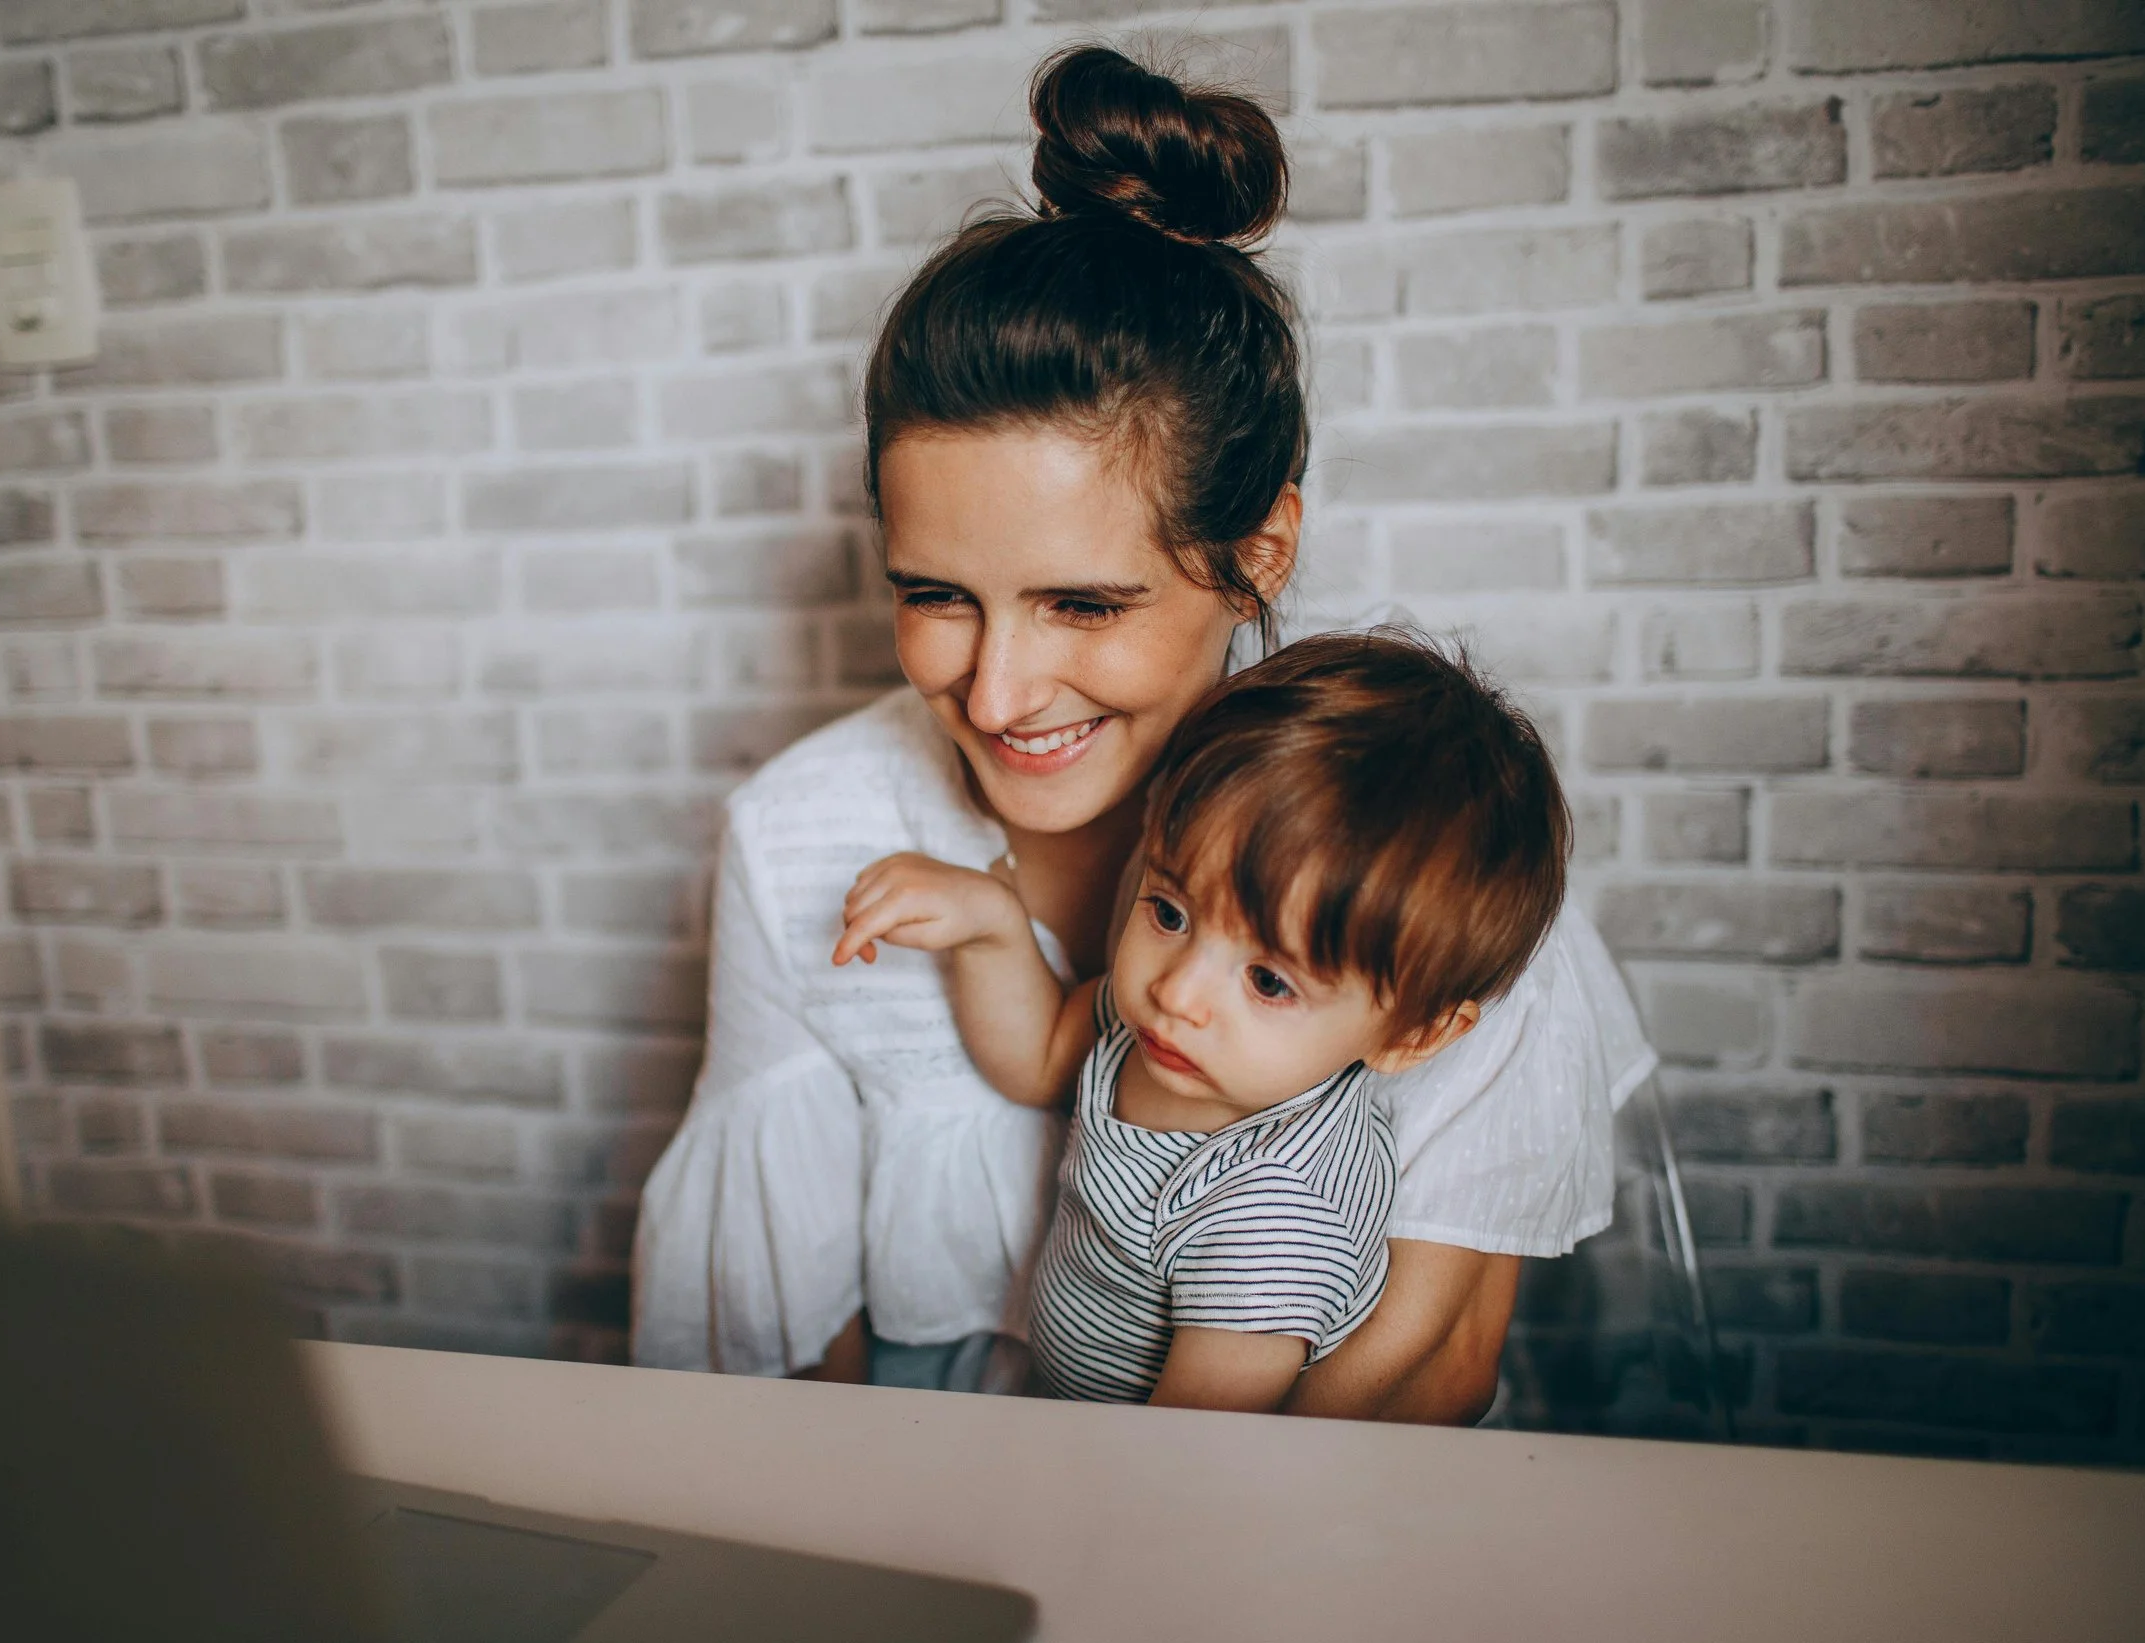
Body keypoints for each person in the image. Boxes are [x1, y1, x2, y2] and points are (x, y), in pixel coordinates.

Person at [631, 44, 1653, 1420]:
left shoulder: (1425, 833)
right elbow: (786, 1356)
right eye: (936, 595)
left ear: (1259, 550)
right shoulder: (797, 838)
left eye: (1083, 603)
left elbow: (1424, 1364)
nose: (998, 695)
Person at [833, 632, 1573, 1410]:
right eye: (1170, 911)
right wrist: (992, 927)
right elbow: (1039, 1058)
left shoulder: (1276, 1211)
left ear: (1412, 1035)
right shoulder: (1160, 1029)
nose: (1177, 990)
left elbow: (1198, 1447)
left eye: (1268, 980)